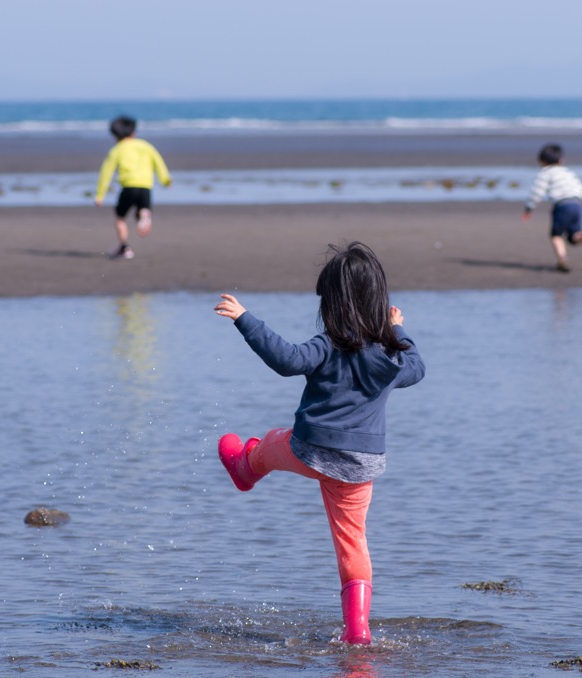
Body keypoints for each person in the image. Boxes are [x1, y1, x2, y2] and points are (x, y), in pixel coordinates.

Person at [213, 242, 426, 645]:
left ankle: (244, 469)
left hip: (309, 450)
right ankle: (358, 629)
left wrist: (245, 319)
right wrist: (398, 330)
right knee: (352, 541)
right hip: (361, 464)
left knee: (272, 442)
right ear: (378, 301)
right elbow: (417, 367)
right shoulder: (389, 357)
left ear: (332, 305)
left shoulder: (327, 344)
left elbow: (287, 359)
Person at [94, 115, 171, 260]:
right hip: (145, 187)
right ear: (133, 132)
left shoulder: (116, 150)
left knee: (120, 217)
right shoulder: (146, 146)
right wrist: (165, 180)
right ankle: (144, 216)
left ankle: (125, 248)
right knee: (142, 210)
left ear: (115, 135)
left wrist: (100, 195)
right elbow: (158, 162)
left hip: (128, 187)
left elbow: (106, 173)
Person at [522, 143, 582, 273]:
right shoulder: (568, 173)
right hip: (577, 205)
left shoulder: (546, 173)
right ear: (561, 160)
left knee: (556, 235)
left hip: (561, 206)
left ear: (542, 162)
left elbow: (537, 192)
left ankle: (562, 260)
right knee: (573, 236)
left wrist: (529, 208)